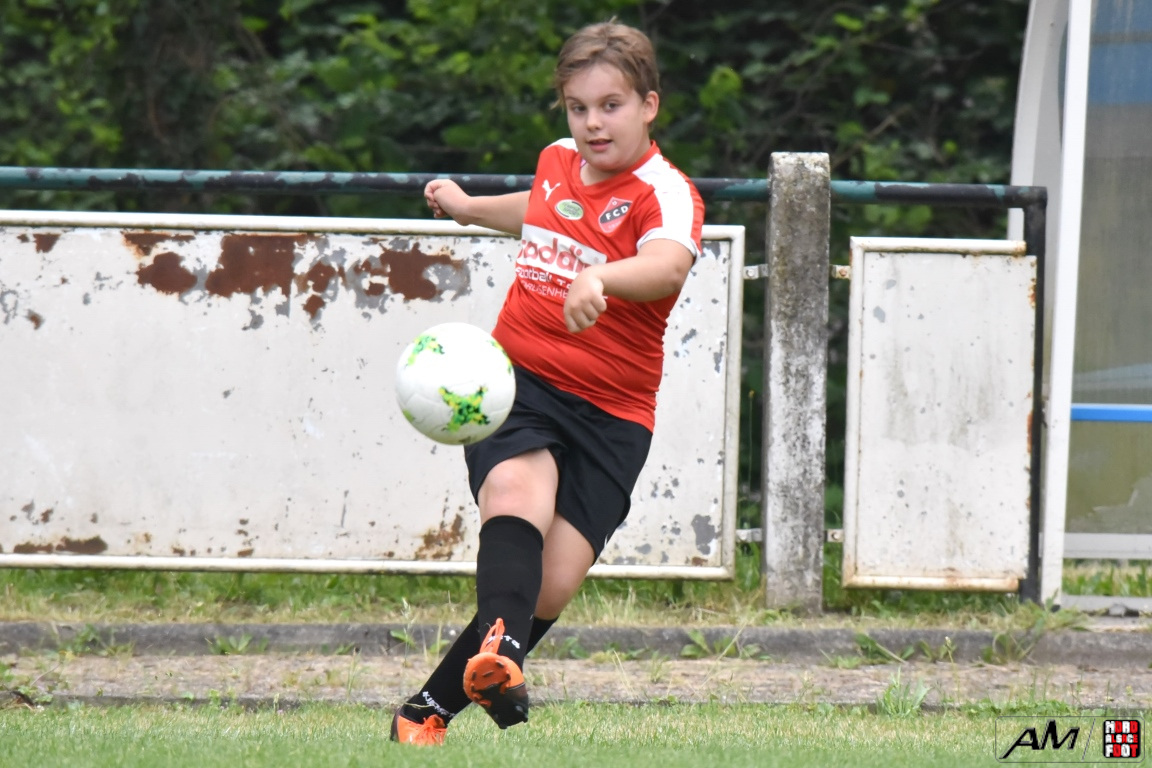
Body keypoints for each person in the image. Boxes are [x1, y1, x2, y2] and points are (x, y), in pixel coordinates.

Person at [390, 19, 704, 745]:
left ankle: (426, 707)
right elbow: (539, 209)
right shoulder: (558, 161)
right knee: (514, 495)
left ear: (649, 105)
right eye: (577, 107)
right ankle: (494, 664)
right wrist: (470, 209)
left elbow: (667, 265)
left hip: (613, 413)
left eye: (611, 106)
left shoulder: (666, 192)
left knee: (551, 584)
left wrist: (600, 277)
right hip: (519, 380)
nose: (592, 123)